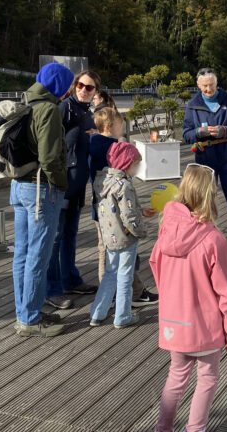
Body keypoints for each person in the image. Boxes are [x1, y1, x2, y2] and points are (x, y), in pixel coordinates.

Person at [150, 163, 227, 432]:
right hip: (205, 327)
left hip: (174, 323)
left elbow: (156, 269)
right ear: (209, 195)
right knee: (207, 378)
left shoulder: (165, 232)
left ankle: (163, 428)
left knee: (176, 377)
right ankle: (195, 429)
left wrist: (172, 300)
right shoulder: (214, 240)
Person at [11, 62, 74, 337]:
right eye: (68, 85)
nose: (68, 91)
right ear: (59, 84)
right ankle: (30, 318)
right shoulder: (48, 109)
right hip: (41, 189)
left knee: (22, 254)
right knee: (38, 256)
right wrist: (62, 184)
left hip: (18, 186)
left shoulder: (25, 101)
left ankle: (25, 311)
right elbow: (49, 158)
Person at [183, 68, 227, 270]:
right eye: (205, 86)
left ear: (216, 83)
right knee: (203, 208)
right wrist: (200, 132)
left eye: (212, 85)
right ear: (198, 85)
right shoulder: (193, 105)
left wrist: (225, 130)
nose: (209, 89)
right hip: (205, 161)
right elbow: (186, 135)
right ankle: (205, 252)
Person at [89, 107, 158, 306]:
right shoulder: (112, 148)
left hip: (102, 210)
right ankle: (127, 294)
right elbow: (123, 186)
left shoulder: (93, 144)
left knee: (108, 252)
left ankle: (118, 294)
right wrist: (136, 212)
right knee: (122, 252)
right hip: (117, 211)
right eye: (121, 125)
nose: (123, 128)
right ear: (109, 127)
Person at [46, 69, 102, 310]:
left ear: (95, 91)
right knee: (55, 237)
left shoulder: (87, 112)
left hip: (78, 185)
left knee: (70, 233)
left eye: (89, 87)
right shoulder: (64, 108)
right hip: (62, 184)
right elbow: (51, 145)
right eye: (80, 85)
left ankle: (70, 280)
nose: (83, 90)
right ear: (74, 85)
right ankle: (52, 289)